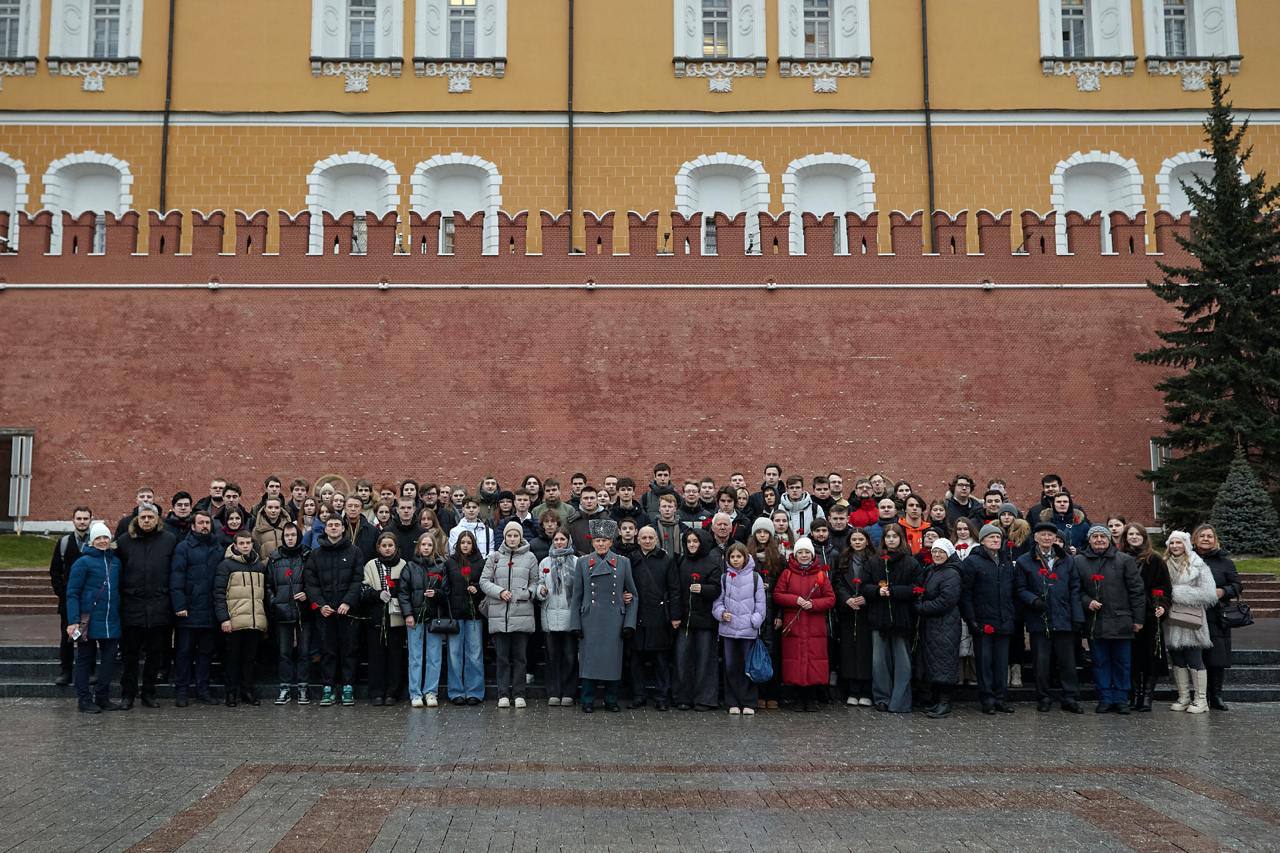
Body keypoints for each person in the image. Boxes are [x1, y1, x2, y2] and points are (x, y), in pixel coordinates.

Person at [1014, 521, 1084, 713]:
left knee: (1067, 661)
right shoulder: (1024, 561)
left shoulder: (1067, 559)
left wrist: (1077, 616)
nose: (1047, 538)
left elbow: (1075, 588)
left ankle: (1070, 697)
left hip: (1064, 617)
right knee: (1041, 662)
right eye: (1042, 535)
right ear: (1035, 537)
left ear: (1055, 538)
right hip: (1039, 618)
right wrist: (1033, 600)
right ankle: (1043, 697)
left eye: (1050, 535)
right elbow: (1020, 589)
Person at [569, 519, 638, 713]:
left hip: (614, 620)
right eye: (597, 540)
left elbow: (633, 594)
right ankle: (588, 700)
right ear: (592, 542)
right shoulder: (583, 562)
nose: (601, 544)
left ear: (611, 542)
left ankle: (611, 699)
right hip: (589, 619)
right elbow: (577, 595)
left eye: (605, 540)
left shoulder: (623, 562)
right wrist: (575, 623)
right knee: (589, 662)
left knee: (612, 662)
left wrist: (629, 623)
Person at [115, 502, 178, 710]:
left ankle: (149, 693)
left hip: (159, 606)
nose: (147, 521)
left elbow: (174, 572)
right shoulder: (124, 542)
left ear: (157, 519)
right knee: (130, 655)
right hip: (132, 606)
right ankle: (128, 694)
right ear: (137, 519)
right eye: (143, 518)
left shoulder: (169, 540)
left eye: (151, 517)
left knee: (155, 654)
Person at [1077, 525, 1145, 714]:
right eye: (1095, 536)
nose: (1099, 539)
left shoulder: (1124, 560)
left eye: (1102, 536)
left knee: (1122, 662)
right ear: (1089, 540)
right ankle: (1105, 697)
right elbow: (1076, 589)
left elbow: (1137, 591)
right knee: (1100, 661)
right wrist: (1087, 601)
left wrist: (1138, 619)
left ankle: (1121, 698)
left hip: (1121, 620)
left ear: (1109, 539)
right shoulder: (1079, 561)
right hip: (1095, 622)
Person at [304, 515, 362, 707]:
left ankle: (347, 687)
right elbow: (310, 583)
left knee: (349, 650)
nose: (334, 528)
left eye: (337, 525)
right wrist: (321, 604)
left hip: (348, 611)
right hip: (325, 611)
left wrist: (348, 602)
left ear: (343, 528)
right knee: (327, 650)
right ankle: (328, 687)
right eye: (330, 525)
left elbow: (357, 579)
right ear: (325, 529)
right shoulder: (316, 554)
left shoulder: (354, 552)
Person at [862, 524, 921, 713]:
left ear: (901, 539)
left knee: (902, 661)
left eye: (895, 536)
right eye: (888, 536)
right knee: (879, 661)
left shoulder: (910, 562)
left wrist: (894, 591)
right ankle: (882, 697)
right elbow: (864, 586)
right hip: (879, 616)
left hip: (901, 617)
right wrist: (877, 591)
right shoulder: (874, 562)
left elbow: (916, 588)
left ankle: (900, 700)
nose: (891, 540)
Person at [66, 521, 124, 714]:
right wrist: (73, 620)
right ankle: (84, 699)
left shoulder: (115, 562)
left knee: (109, 661)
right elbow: (72, 593)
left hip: (111, 619)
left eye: (105, 537)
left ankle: (103, 696)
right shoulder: (82, 562)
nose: (102, 541)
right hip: (88, 620)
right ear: (91, 541)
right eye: (98, 538)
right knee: (84, 659)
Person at [772, 537, 836, 712]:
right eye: (800, 552)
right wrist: (796, 600)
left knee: (814, 660)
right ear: (795, 554)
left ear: (812, 554)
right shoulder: (787, 573)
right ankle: (798, 698)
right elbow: (778, 595)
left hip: (815, 624)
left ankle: (812, 697)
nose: (804, 555)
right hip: (795, 624)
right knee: (796, 660)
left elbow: (831, 599)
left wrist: (814, 604)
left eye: (807, 552)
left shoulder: (820, 574)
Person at [481, 522, 540, 708]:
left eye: (516, 535)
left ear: (520, 537)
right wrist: (499, 592)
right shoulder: (494, 557)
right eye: (509, 536)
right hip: (500, 614)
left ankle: (519, 693)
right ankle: (503, 694)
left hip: (521, 613)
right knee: (502, 658)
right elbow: (484, 581)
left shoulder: (530, 557)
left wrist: (527, 593)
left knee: (520, 658)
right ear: (504, 537)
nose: (512, 539)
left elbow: (535, 582)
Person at [961, 524, 1018, 714]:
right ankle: (987, 699)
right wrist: (971, 620)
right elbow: (966, 593)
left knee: (1002, 663)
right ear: (983, 540)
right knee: (984, 662)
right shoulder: (973, 562)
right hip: (983, 620)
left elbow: (1013, 591)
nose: (996, 540)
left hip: (1004, 619)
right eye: (991, 537)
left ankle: (1001, 698)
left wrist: (1011, 615)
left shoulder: (1006, 560)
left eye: (998, 537)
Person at [1163, 530, 1219, 714]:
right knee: (1177, 660)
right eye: (1172, 543)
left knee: (1195, 659)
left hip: (1192, 621)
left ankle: (1201, 700)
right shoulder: (1163, 564)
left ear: (1186, 544)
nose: (1175, 546)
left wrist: (1177, 593)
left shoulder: (1198, 564)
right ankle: (1184, 697)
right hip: (1171, 621)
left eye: (1179, 543)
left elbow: (1210, 593)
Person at [170, 510, 222, 707]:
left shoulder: (217, 548)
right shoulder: (183, 548)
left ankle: (203, 689)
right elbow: (176, 577)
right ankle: (181, 690)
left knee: (206, 653)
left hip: (209, 610)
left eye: (207, 523)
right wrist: (179, 605)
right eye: (200, 523)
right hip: (188, 611)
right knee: (184, 652)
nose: (204, 526)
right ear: (193, 526)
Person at [214, 530, 268, 707]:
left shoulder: (260, 566)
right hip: (234, 622)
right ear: (235, 545)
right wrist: (224, 619)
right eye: (242, 543)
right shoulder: (226, 566)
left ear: (253, 544)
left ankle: (247, 691)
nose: (245, 546)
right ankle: (231, 693)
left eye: (248, 543)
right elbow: (219, 594)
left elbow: (263, 596)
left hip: (254, 622)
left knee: (250, 660)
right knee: (232, 660)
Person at [1121, 523, 1171, 712]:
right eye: (1130, 534)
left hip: (1150, 614)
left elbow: (1165, 588)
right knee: (1132, 657)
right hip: (1128, 613)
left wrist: (1162, 605)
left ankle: (1147, 695)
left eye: (1137, 534)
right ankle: (1134, 694)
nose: (1134, 537)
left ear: (1144, 536)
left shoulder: (1155, 559)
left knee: (1150, 657)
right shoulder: (1120, 558)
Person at [1193, 524, 1243, 711]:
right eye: (1202, 536)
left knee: (1216, 657)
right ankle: (1199, 696)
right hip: (1193, 614)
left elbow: (1237, 585)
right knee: (1197, 657)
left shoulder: (1225, 562)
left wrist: (1224, 591)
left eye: (1210, 536)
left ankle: (1217, 695)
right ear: (1195, 539)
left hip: (1216, 615)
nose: (1206, 539)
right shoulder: (1188, 559)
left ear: (1215, 540)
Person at [713, 542, 767, 715]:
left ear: (745, 557)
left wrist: (755, 621)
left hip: (748, 630)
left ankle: (749, 701)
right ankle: (732, 701)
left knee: (747, 666)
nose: (736, 560)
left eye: (739, 556)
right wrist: (721, 613)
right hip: (728, 629)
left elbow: (761, 604)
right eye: (732, 557)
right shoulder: (724, 578)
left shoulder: (755, 578)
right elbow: (717, 602)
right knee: (730, 666)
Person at [672, 528, 722, 711]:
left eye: (695, 541)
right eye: (689, 542)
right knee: (682, 659)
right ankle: (682, 697)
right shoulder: (681, 562)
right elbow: (675, 590)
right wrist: (676, 615)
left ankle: (705, 698)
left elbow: (717, 589)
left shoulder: (712, 563)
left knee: (705, 661)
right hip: (685, 620)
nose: (692, 545)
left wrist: (703, 589)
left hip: (705, 621)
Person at [628, 525, 678, 709]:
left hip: (659, 616)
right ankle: (638, 695)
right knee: (636, 660)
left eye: (651, 537)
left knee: (661, 660)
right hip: (637, 614)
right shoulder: (631, 560)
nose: (647, 541)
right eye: (644, 538)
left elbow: (674, 589)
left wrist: (675, 616)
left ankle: (662, 697)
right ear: (638, 539)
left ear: (656, 539)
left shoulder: (667, 559)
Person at [399, 532, 450, 708]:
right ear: (419, 546)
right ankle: (415, 693)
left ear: (434, 547)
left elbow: (446, 592)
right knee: (415, 656)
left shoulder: (441, 566)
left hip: (434, 618)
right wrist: (408, 614)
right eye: (424, 545)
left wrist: (437, 594)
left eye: (429, 545)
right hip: (415, 618)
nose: (426, 548)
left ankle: (431, 692)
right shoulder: (410, 567)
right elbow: (403, 593)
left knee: (434, 656)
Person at [915, 539, 963, 718]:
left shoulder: (951, 573)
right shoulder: (932, 570)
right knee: (935, 662)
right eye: (934, 551)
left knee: (944, 662)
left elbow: (946, 601)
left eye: (941, 552)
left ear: (948, 553)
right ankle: (937, 701)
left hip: (945, 624)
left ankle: (945, 702)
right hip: (933, 624)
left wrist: (921, 607)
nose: (936, 555)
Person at [266, 521, 311, 705]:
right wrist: (274, 601)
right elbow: (268, 585)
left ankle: (302, 687)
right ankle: (284, 687)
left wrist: (307, 593)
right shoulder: (275, 558)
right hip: (282, 610)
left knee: (304, 650)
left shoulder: (307, 555)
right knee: (284, 651)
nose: (290, 539)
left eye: (293, 535)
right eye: (287, 536)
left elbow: (314, 579)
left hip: (303, 611)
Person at [361, 532, 407, 706]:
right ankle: (377, 692)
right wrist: (377, 594)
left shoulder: (403, 565)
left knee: (395, 656)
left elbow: (407, 588)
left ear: (395, 547)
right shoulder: (371, 565)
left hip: (396, 618)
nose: (387, 549)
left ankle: (393, 692)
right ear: (378, 547)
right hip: (376, 617)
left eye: (390, 545)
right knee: (376, 656)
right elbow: (363, 589)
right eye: (384, 546)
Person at [536, 529, 580, 707]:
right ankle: (554, 691)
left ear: (568, 540)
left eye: (563, 539)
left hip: (570, 615)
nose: (559, 542)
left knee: (570, 656)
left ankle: (569, 692)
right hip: (550, 614)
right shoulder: (545, 561)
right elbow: (538, 583)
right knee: (552, 656)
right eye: (556, 539)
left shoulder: (577, 562)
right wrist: (541, 591)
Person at [49, 506, 92, 686]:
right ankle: (66, 671)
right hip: (69, 601)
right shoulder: (64, 542)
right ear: (73, 520)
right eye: (79, 518)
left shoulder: (96, 541)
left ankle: (89, 671)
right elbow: (55, 571)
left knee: (88, 637)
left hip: (89, 601)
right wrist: (63, 594)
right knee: (68, 637)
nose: (82, 521)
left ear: (91, 519)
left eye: (85, 518)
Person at [444, 530, 487, 705]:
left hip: (474, 613)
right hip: (455, 613)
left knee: (474, 654)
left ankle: (475, 691)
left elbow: (486, 583)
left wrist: (477, 588)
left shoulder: (481, 562)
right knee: (454, 654)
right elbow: (446, 587)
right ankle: (456, 691)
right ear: (458, 544)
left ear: (474, 544)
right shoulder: (450, 562)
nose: (466, 545)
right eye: (463, 542)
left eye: (469, 542)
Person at [833, 527, 874, 707]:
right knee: (849, 651)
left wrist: (866, 597)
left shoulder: (874, 559)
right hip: (848, 611)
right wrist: (847, 599)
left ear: (867, 541)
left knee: (866, 651)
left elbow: (877, 581)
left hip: (867, 611)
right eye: (854, 539)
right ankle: (852, 689)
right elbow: (837, 582)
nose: (857, 542)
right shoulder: (843, 559)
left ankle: (865, 689)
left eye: (861, 539)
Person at [568, 486, 608, 553]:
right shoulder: (572, 522)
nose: (589, 501)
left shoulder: (606, 520)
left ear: (597, 500)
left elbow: (612, 544)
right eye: (586, 498)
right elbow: (569, 544)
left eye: (592, 498)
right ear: (580, 501)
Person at [251, 496, 289, 561]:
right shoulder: (257, 530)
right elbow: (254, 552)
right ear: (265, 509)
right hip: (266, 567)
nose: (273, 510)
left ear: (280, 509)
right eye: (270, 507)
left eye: (276, 508)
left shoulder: (288, 528)